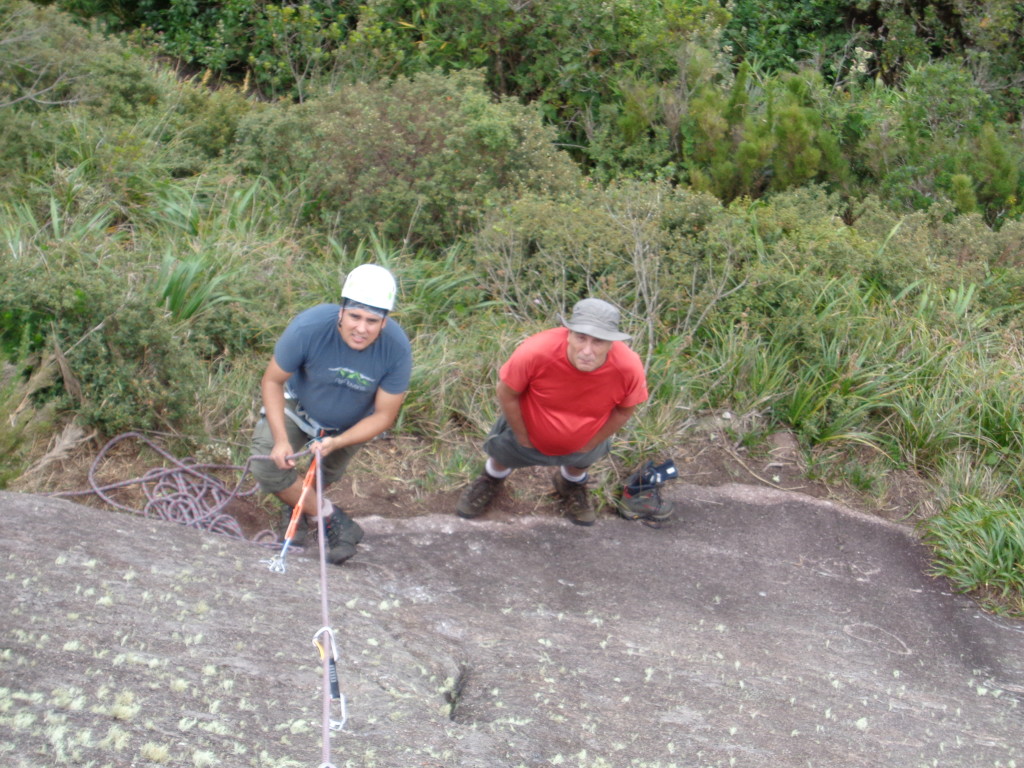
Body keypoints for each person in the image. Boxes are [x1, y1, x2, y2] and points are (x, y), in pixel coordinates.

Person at [251, 264, 412, 565]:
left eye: (372, 320)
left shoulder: (397, 350)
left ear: (385, 322)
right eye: (355, 316)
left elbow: (384, 415)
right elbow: (272, 380)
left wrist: (337, 443)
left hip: (349, 424)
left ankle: (296, 509)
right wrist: (281, 441)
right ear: (341, 311)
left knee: (323, 476)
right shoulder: (308, 328)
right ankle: (334, 520)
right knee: (267, 466)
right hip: (299, 406)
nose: (361, 329)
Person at [456, 298, 648, 525]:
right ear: (568, 333)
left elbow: (625, 410)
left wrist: (592, 441)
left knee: (582, 460)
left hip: (586, 435)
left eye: (598, 341)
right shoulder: (536, 352)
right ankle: (491, 479)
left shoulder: (628, 367)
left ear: (611, 343)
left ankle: (571, 482)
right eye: (580, 338)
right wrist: (521, 434)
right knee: (502, 456)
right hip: (527, 428)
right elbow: (507, 393)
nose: (587, 350)